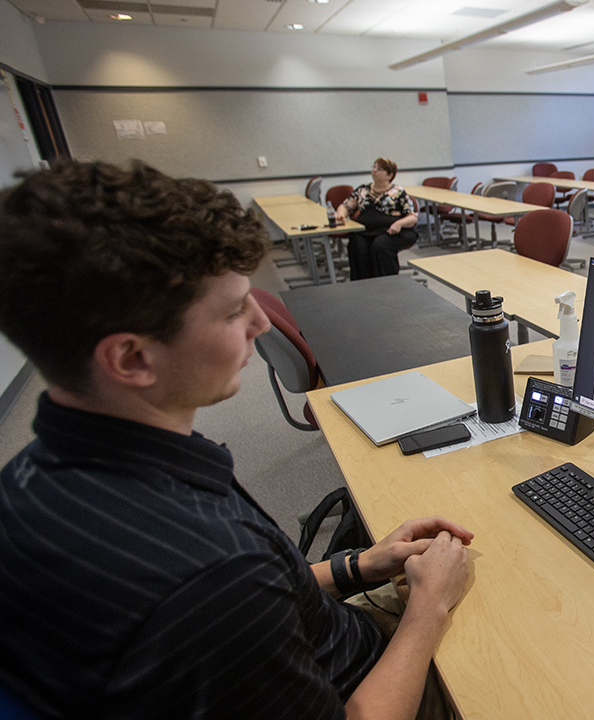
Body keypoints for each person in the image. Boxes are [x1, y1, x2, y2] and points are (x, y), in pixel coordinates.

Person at [0, 159, 471, 719]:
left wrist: (360, 564)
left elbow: (264, 593)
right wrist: (429, 608)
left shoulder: (30, 480)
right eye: (231, 311)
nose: (262, 323)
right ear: (131, 358)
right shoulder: (209, 579)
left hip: (320, 642)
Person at [335, 158, 420, 280]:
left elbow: (412, 217)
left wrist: (399, 223)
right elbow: (345, 206)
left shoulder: (398, 192)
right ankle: (362, 285)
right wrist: (341, 214)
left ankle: (387, 283)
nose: (374, 171)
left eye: (379, 169)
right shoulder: (363, 190)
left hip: (392, 231)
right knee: (356, 245)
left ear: (389, 175)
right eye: (374, 167)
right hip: (366, 231)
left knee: (380, 246)